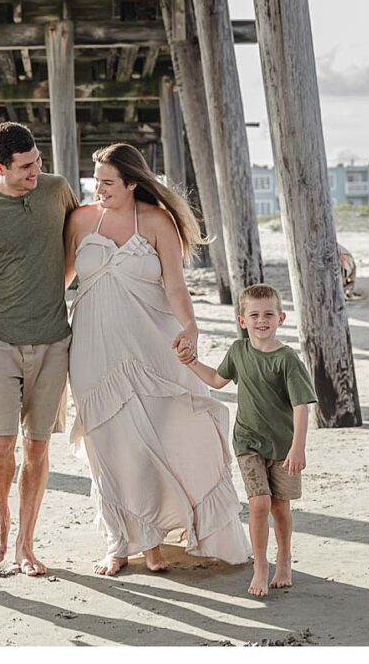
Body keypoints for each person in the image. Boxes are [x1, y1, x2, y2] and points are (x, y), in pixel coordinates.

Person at [64, 143, 250, 577]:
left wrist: (191, 327)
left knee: (168, 433)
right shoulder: (80, 221)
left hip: (153, 344)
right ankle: (121, 541)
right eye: (96, 181)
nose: (99, 189)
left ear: (132, 183)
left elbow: (175, 286)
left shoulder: (156, 222)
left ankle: (155, 539)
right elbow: (60, 282)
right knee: (108, 444)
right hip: (93, 348)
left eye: (109, 182)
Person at [0, 122, 78, 577]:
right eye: (25, 167)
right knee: (2, 444)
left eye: (38, 161)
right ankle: (1, 519)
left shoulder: (57, 189)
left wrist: (53, 289)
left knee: (38, 447)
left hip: (53, 338)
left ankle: (25, 543)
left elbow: (77, 243)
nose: (35, 172)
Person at [184, 283, 317, 596]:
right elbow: (218, 380)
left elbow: (301, 406)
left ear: (281, 318)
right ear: (242, 320)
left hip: (284, 446)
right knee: (259, 503)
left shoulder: (287, 360)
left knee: (280, 506)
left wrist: (298, 447)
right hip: (248, 442)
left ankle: (283, 559)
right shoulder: (238, 351)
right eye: (254, 315)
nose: (262, 320)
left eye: (269, 314)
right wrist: (190, 363)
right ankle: (260, 566)